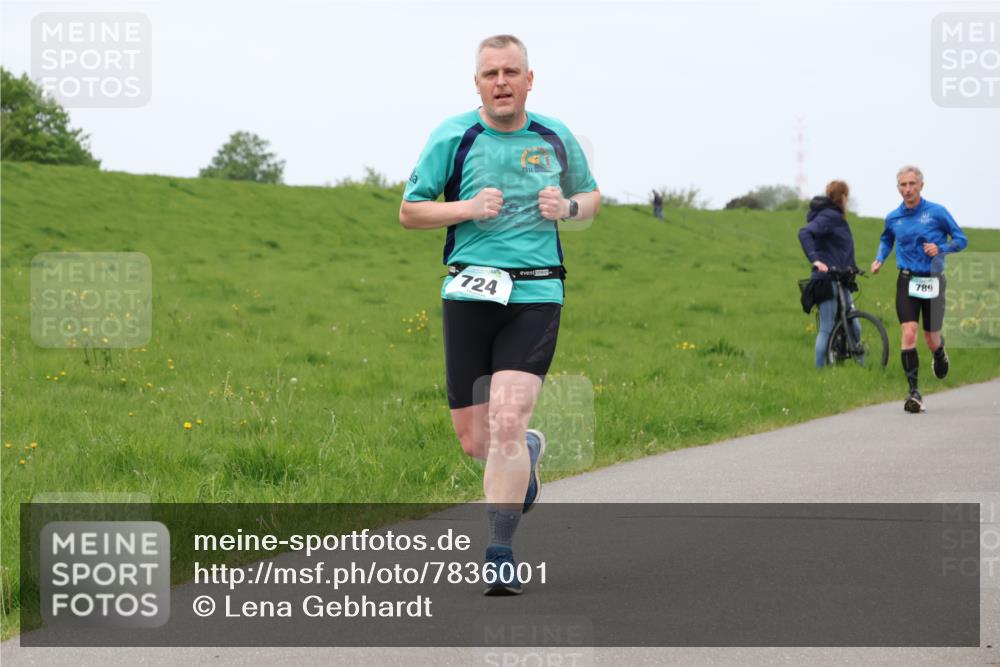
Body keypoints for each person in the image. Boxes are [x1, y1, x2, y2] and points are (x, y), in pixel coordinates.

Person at [399, 34, 600, 594]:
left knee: (507, 419)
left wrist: (568, 208)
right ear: (478, 82)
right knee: (476, 439)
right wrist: (466, 208)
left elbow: (591, 197)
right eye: (491, 74)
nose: (502, 82)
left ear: (530, 80)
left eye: (512, 72)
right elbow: (410, 213)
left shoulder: (556, 137)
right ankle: (529, 452)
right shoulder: (453, 136)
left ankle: (500, 552)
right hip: (468, 294)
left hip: (536, 293)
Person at [870, 166, 967, 413]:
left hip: (933, 280)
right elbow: (886, 238)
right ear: (898, 188)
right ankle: (914, 393)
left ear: (921, 186)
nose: (908, 189)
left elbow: (961, 239)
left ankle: (939, 353)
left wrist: (941, 248)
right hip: (907, 280)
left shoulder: (937, 212)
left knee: (931, 338)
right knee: (909, 332)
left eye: (912, 184)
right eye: (903, 185)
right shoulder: (893, 217)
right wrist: (880, 257)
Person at [798, 180, 859, 368]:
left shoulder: (835, 217)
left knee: (854, 325)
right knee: (826, 328)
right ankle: (820, 372)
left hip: (841, 278)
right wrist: (816, 260)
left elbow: (838, 249)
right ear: (843, 197)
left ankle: (861, 365)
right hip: (827, 280)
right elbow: (804, 233)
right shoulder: (829, 216)